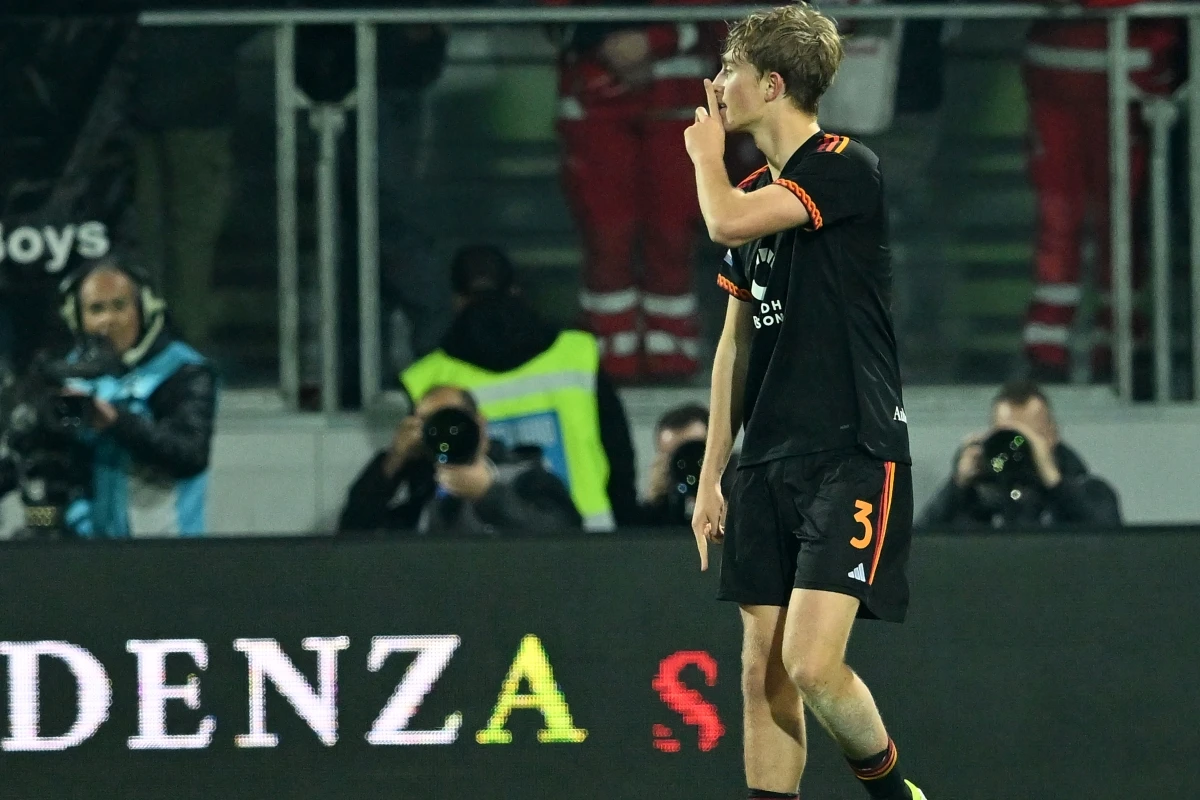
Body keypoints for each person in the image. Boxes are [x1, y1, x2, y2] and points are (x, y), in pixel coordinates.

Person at [685, 6, 927, 800]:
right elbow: (734, 346)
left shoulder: (842, 165)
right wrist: (714, 473)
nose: (717, 86)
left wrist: (702, 157)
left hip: (850, 449)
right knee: (762, 669)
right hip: (767, 462)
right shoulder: (752, 189)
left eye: (730, 71)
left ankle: (895, 794)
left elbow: (723, 220)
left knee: (812, 664)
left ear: (772, 84)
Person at [545, 0, 725, 381]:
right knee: (606, 235)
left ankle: (670, 352)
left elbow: (726, 17)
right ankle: (609, 351)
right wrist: (601, 39)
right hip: (592, 94)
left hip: (679, 97)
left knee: (673, 232)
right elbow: (550, 14)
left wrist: (658, 39)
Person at [400, 245, 639, 531]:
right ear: (515, 290)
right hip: (586, 546)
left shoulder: (427, 377)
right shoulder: (577, 353)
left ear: (456, 300)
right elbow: (620, 458)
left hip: (472, 556)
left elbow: (421, 484)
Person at [1021, 0, 1182, 382]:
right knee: (1074, 220)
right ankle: (1064, 347)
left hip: (1123, 81)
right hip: (1077, 79)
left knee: (1118, 222)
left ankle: (1107, 344)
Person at [58, 259, 218, 536]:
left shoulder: (184, 370)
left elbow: (190, 454)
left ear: (143, 310)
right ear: (78, 318)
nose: (109, 320)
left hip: (167, 554)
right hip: (90, 555)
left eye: (120, 306)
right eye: (96, 309)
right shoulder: (71, 376)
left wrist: (116, 422)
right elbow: (64, 460)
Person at [338, 384, 581, 536]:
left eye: (452, 421)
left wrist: (486, 493)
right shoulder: (423, 487)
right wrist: (393, 461)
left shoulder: (524, 475)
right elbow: (354, 531)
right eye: (432, 424)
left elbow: (562, 535)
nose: (445, 433)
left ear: (479, 424)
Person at [917, 380, 1121, 529]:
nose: (1018, 446)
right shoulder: (977, 497)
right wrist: (957, 486)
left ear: (1052, 435)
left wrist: (1056, 484)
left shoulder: (1089, 490)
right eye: (1009, 435)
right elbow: (919, 549)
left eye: (1027, 436)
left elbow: (1110, 546)